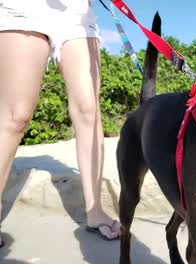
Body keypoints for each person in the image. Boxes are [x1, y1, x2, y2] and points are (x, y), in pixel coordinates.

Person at [0, 0, 121, 246]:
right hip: (23, 7)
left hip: (77, 11)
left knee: (88, 108)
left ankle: (95, 210)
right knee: (16, 116)